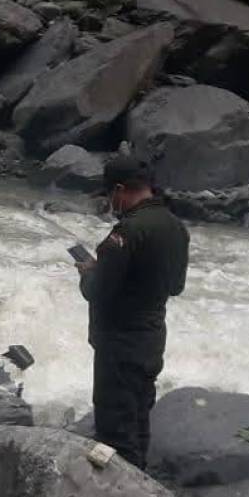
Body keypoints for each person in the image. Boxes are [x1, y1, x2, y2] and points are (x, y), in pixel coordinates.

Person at [77, 156, 189, 469]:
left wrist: (89, 272)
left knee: (115, 431)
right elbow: (176, 286)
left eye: (110, 195)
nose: (110, 202)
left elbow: (95, 292)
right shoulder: (176, 227)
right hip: (152, 339)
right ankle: (142, 484)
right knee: (139, 420)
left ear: (120, 190)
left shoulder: (126, 232)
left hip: (119, 344)